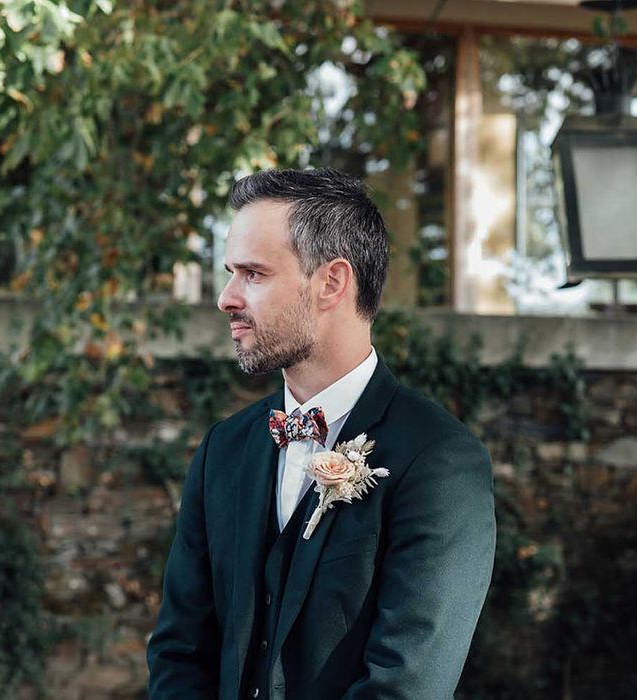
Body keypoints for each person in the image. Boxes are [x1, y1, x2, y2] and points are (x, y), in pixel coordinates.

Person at [146, 168, 496, 700]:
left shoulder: (439, 461)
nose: (226, 298)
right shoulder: (224, 449)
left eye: (253, 274)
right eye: (230, 273)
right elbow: (179, 653)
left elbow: (406, 685)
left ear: (331, 282)